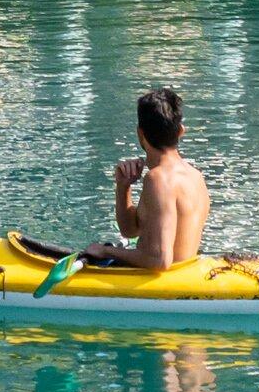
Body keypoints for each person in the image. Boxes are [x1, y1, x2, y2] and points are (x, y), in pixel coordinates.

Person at [80, 85, 211, 271]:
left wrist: (106, 252)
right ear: (181, 131)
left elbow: (160, 260)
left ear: (140, 133)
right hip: (184, 276)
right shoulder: (196, 177)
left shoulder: (158, 179)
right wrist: (123, 187)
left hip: (162, 286)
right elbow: (131, 230)